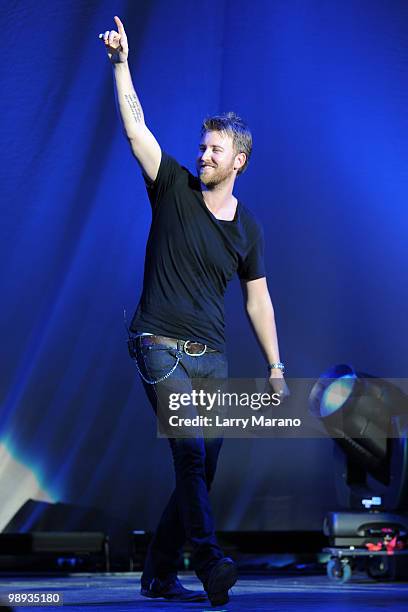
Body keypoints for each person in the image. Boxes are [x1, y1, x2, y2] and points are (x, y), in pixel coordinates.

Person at [100, 16, 287, 607]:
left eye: (216, 149)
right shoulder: (173, 186)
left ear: (240, 161)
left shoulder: (248, 228)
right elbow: (137, 131)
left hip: (215, 360)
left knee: (200, 469)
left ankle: (157, 574)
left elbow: (258, 297)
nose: (203, 153)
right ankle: (208, 560)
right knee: (188, 449)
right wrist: (121, 65)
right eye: (202, 145)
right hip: (158, 343)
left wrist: (276, 367)